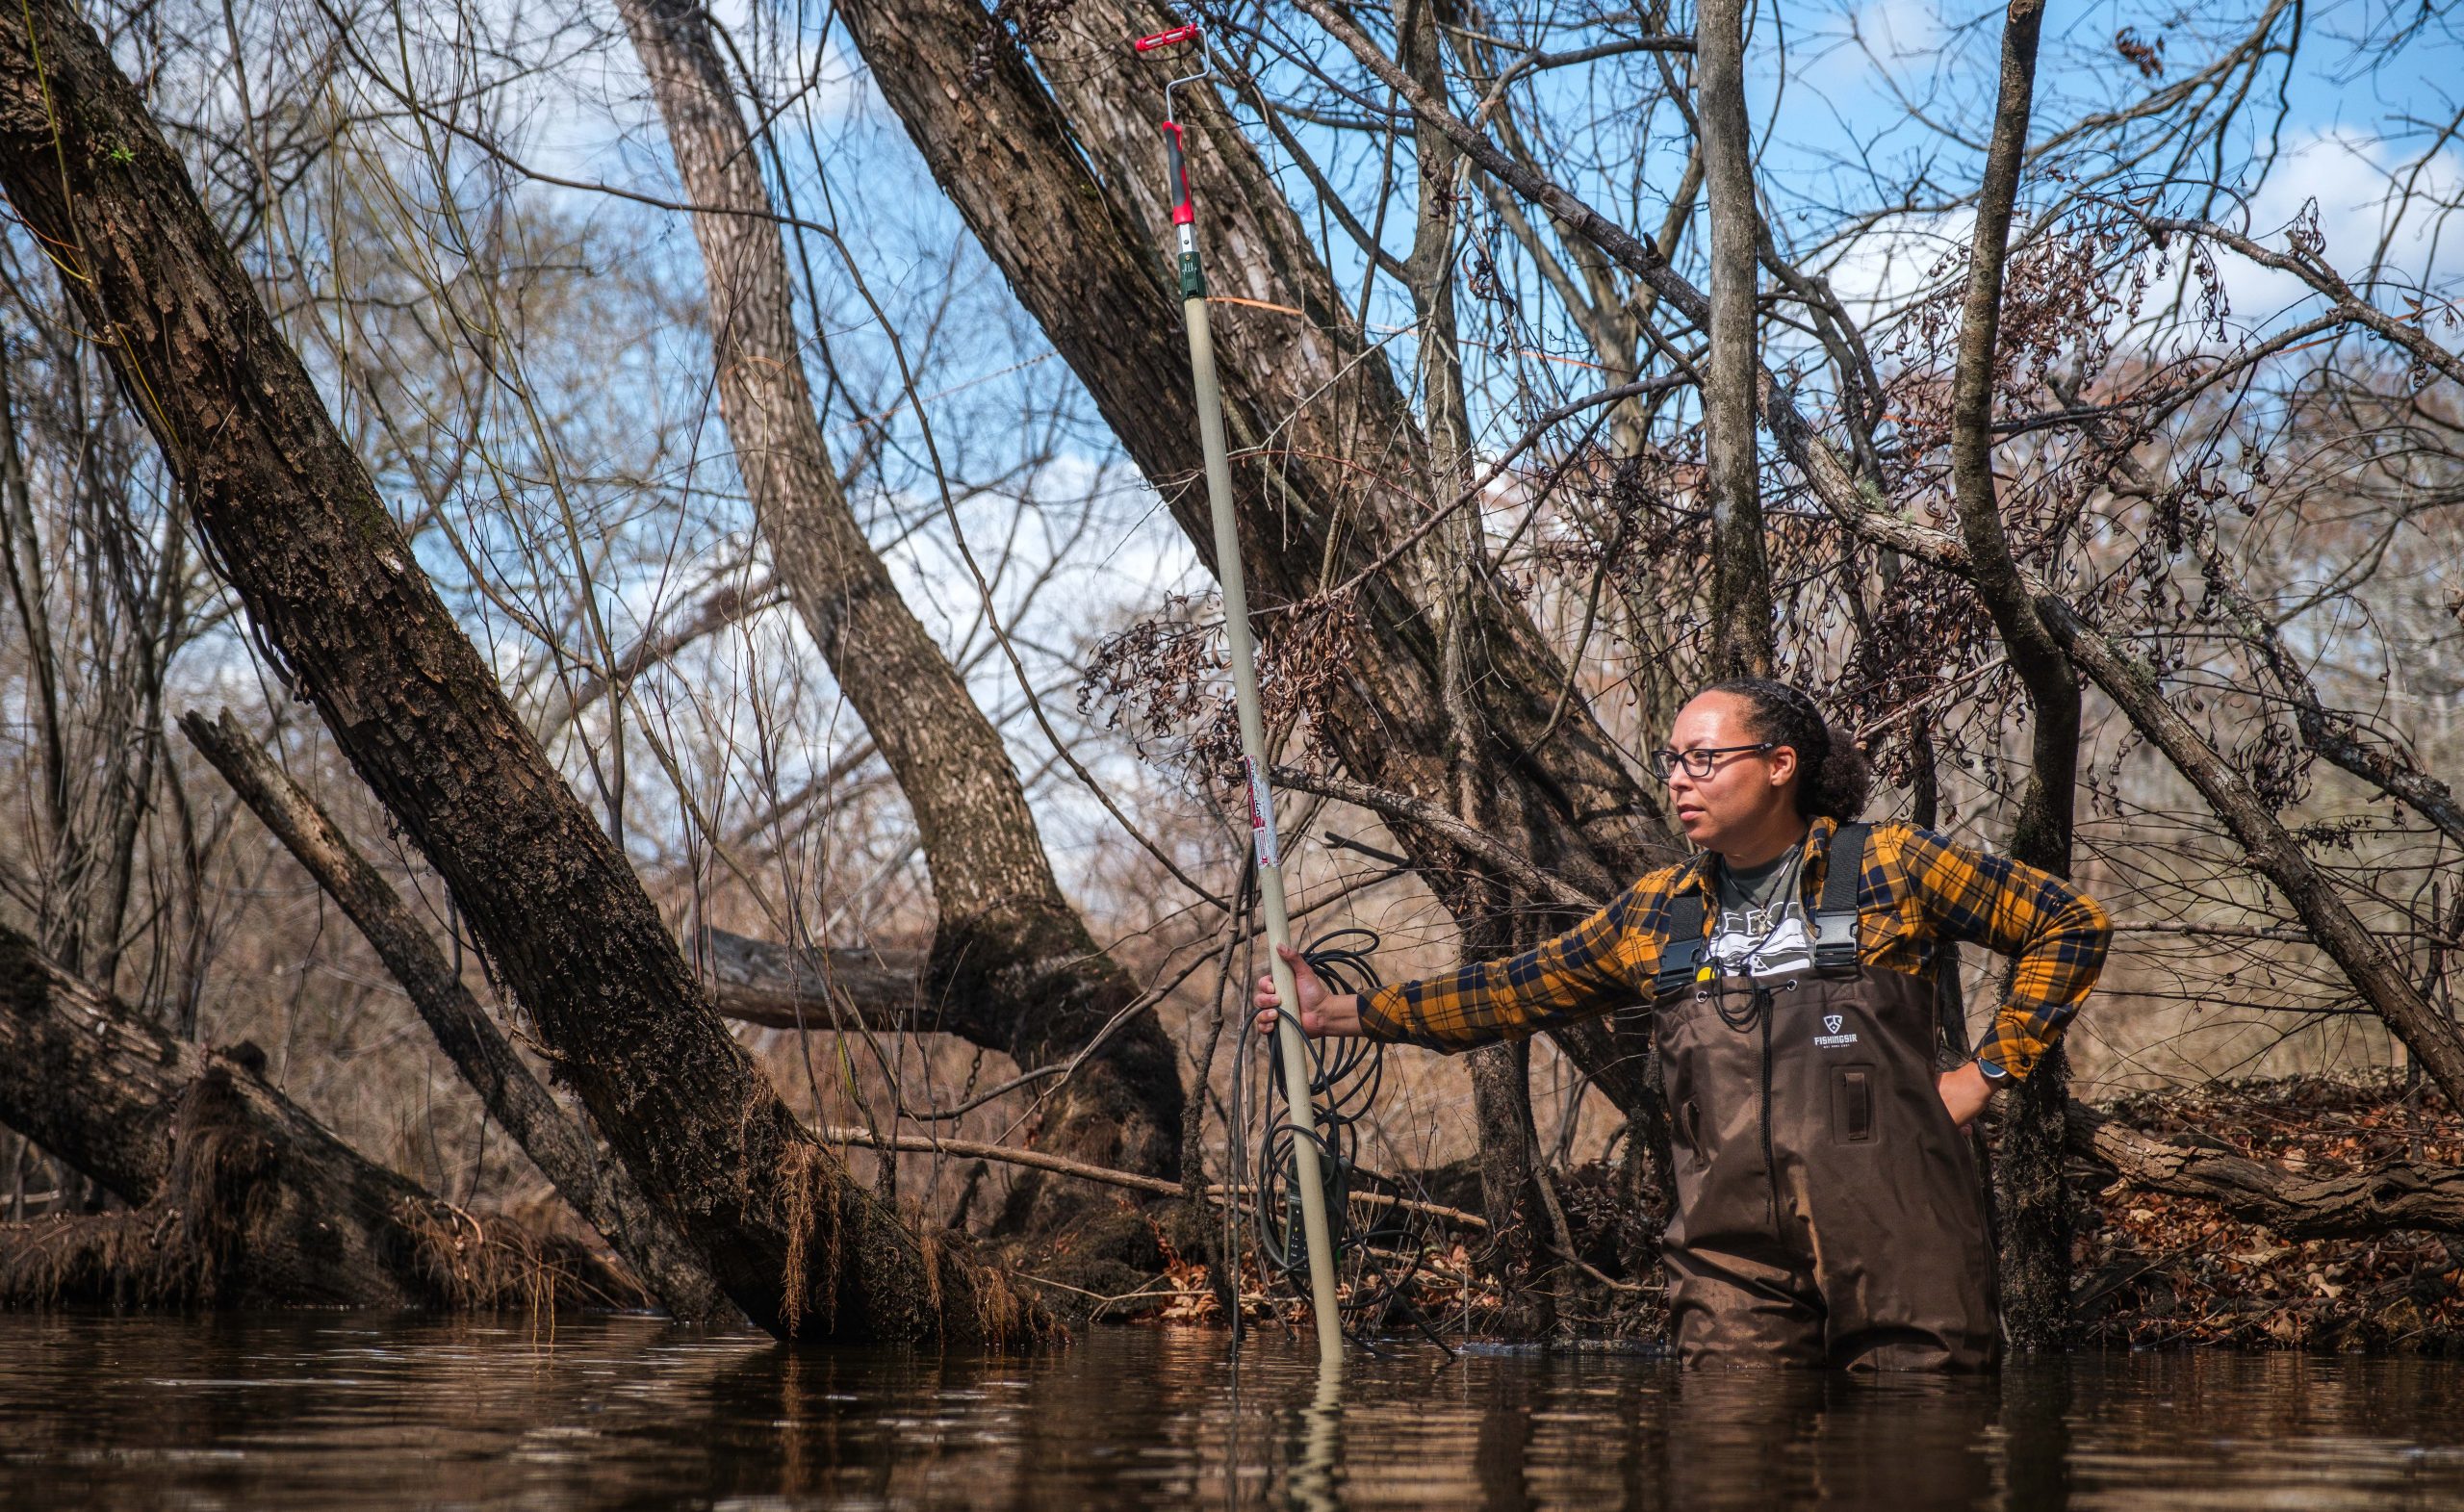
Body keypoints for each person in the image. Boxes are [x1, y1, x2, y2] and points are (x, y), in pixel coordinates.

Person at [1254, 678, 2112, 1370]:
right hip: (1730, 1263)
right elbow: (1512, 992)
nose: (1676, 779)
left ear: (1780, 764)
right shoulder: (1658, 911)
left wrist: (1984, 1074)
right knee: (1725, 1458)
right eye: (1672, 760)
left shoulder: (1890, 862)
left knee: (1915, 1461)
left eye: (1702, 759)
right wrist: (1346, 1011)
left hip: (1901, 1242)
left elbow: (2068, 925)